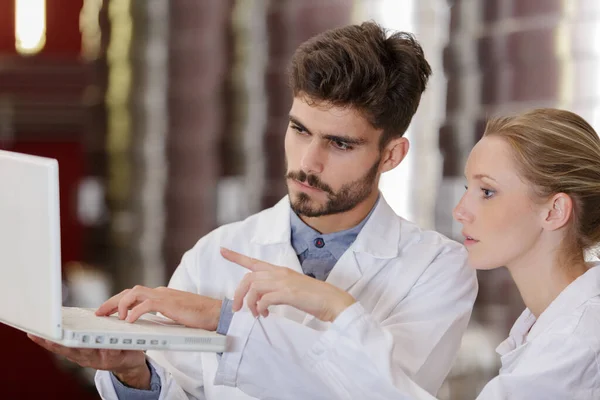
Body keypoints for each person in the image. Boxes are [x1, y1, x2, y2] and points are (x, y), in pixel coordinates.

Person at [29, 22, 478, 399]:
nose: (308, 162)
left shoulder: (436, 269)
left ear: (392, 156)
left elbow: (383, 393)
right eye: (299, 130)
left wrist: (223, 320)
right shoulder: (218, 251)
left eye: (339, 144)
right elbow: (182, 390)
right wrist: (135, 375)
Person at [217, 108, 600, 399]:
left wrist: (338, 309)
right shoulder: (548, 321)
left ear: (554, 211)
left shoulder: (576, 338)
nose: (460, 211)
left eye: (486, 192)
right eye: (468, 188)